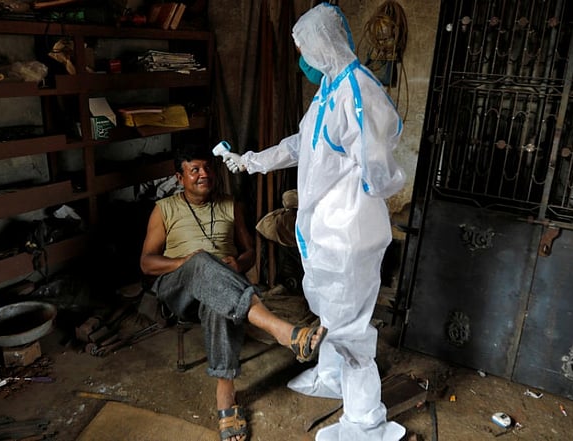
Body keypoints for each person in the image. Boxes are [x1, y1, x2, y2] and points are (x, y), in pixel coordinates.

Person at [218, 3, 407, 440]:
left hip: (348, 232)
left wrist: (359, 197)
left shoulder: (359, 91)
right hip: (324, 230)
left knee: (349, 327)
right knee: (325, 309)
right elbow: (302, 143)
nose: (302, 57)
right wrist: (251, 161)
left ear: (323, 44)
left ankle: (365, 421)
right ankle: (331, 377)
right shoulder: (328, 89)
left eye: (304, 47)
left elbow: (379, 168)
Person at [140, 144, 327, 441]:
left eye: (207, 168)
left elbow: (250, 253)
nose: (204, 174)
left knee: (217, 300)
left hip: (220, 287)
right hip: (179, 287)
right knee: (202, 261)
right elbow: (147, 263)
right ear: (179, 177)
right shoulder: (164, 209)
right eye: (195, 170)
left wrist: (238, 263)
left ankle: (225, 396)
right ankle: (281, 330)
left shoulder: (230, 204)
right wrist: (185, 262)